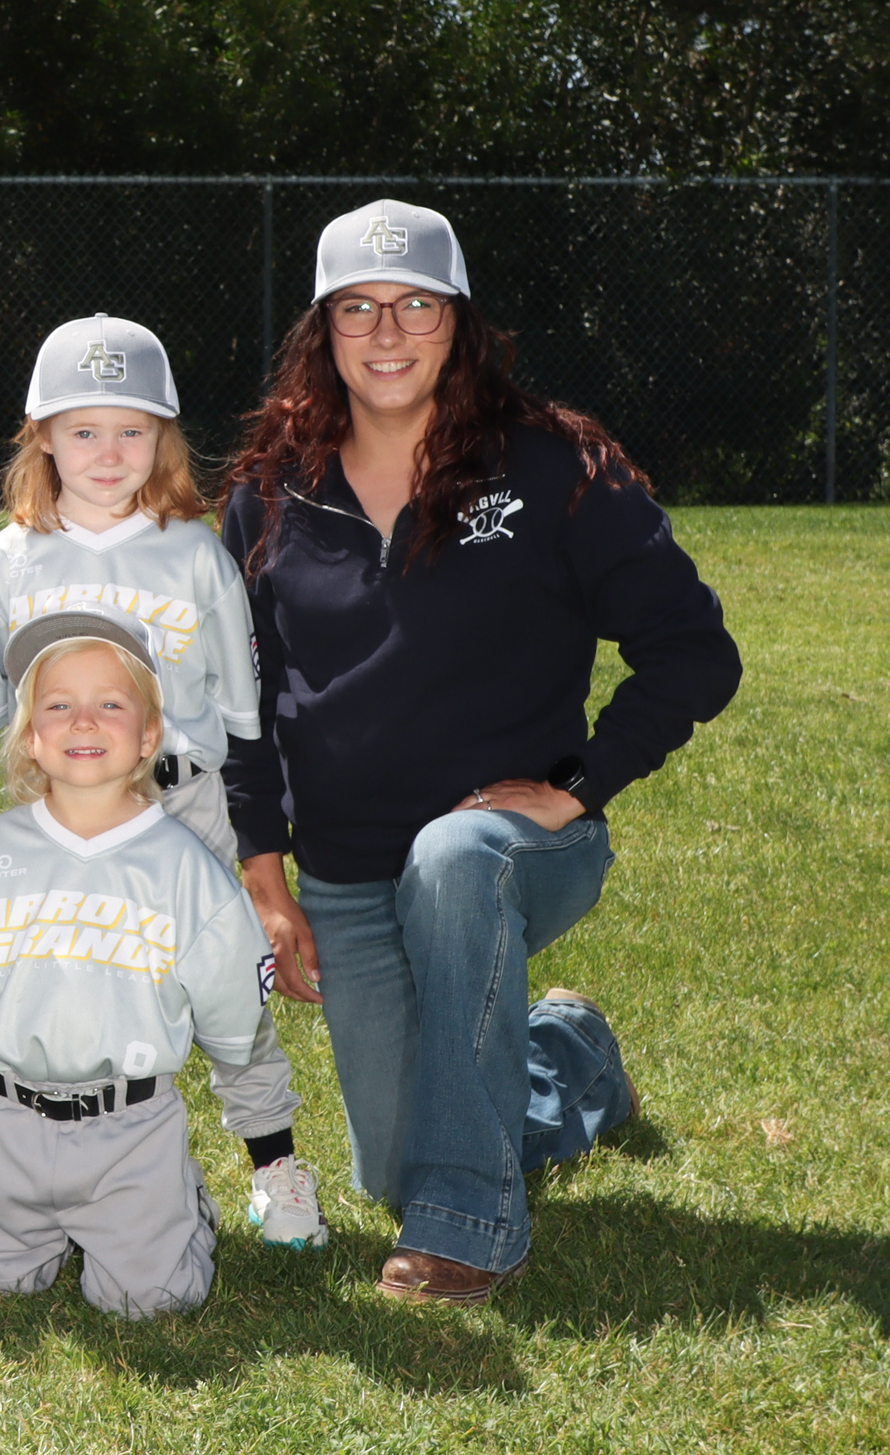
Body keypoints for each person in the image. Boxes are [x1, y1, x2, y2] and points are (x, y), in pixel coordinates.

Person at [225, 198, 741, 1303]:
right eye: (358, 308)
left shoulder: (553, 469)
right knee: (390, 1169)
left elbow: (695, 652)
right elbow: (243, 705)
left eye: (417, 304)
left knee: (452, 858)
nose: (388, 332)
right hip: (350, 871)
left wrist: (576, 785)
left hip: (509, 850)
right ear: (322, 329)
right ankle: (569, 1055)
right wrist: (267, 878)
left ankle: (470, 1231)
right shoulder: (270, 492)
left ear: (457, 322)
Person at [0, 317, 324, 1245]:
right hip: (59, 805)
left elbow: (240, 708)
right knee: (30, 977)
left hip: (181, 800)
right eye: (83, 430)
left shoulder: (193, 551)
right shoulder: (10, 557)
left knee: (230, 980)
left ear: (164, 438)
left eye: (132, 429)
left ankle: (274, 1165)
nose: (109, 452)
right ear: (42, 436)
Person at [0, 612, 300, 1317]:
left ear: (150, 735)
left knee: (150, 1301)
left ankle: (176, 1200)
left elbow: (233, 1009)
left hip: (130, 1125)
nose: (84, 721)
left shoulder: (185, 866)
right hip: (6, 1119)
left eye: (110, 703)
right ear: (30, 737)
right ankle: (2, 1198)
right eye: (58, 705)